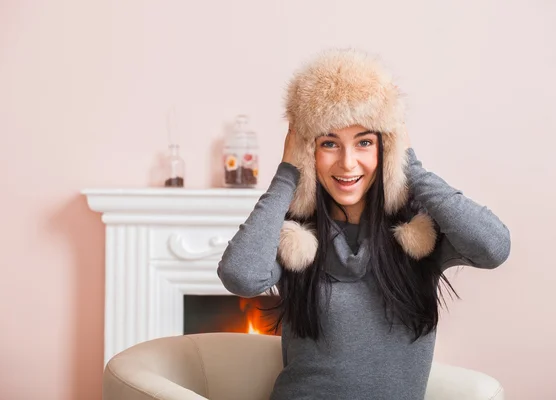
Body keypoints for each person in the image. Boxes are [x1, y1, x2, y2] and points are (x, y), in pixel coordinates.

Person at [217, 48, 511, 400]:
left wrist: (408, 166)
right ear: (309, 152)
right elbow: (240, 276)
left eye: (365, 142)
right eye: (329, 143)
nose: (347, 163)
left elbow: (494, 248)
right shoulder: (293, 233)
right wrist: (288, 174)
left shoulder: (418, 228)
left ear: (385, 147)